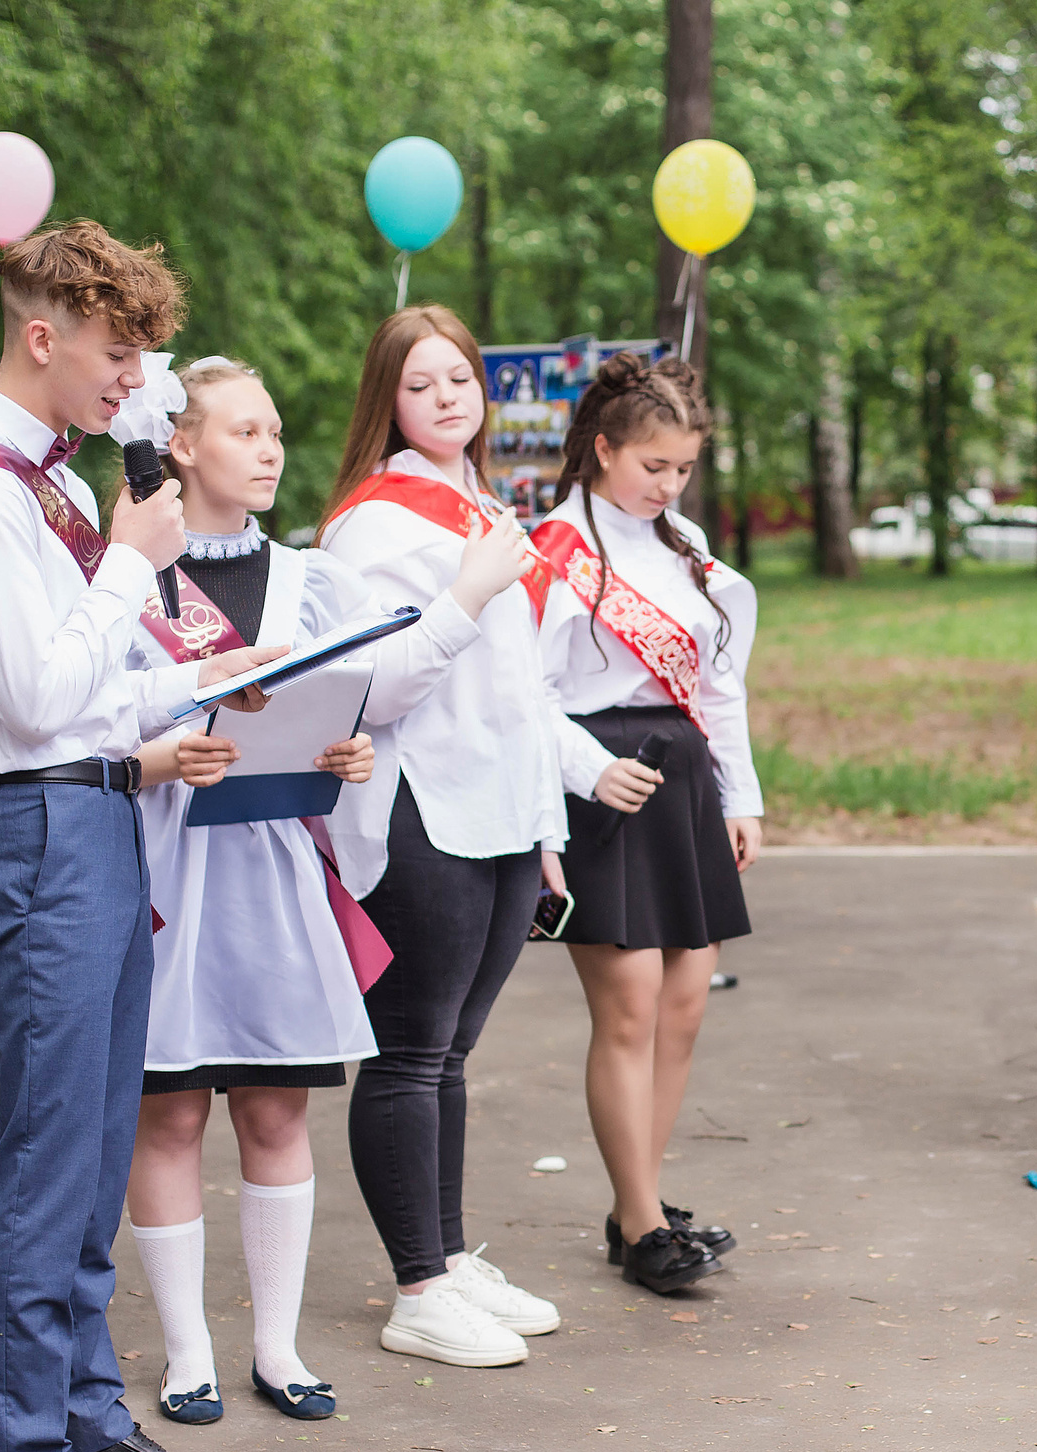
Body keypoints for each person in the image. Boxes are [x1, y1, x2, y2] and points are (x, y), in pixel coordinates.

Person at [0, 221, 280, 1452]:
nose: (136, 380)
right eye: (118, 352)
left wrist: (221, 677)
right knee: (49, 1160)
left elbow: (105, 687)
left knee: (98, 1142)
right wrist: (133, 560)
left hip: (99, 807)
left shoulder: (54, 488)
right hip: (39, 821)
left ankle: (82, 1420)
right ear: (43, 333)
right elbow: (34, 699)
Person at [112, 356, 386, 1428]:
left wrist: (349, 752)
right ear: (181, 445)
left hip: (273, 869)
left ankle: (278, 1348)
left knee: (277, 1107)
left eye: (276, 431)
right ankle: (188, 1355)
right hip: (167, 868)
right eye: (243, 431)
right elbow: (91, 711)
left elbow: (338, 704)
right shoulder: (125, 577)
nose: (270, 450)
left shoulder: (315, 579)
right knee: (169, 1112)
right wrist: (165, 747)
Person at [321, 305, 588, 1368]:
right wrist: (469, 593)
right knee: (410, 1050)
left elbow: (524, 692)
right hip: (421, 806)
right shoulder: (370, 525)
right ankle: (416, 1288)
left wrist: (547, 825)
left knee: (454, 1054)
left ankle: (444, 1255)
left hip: (502, 812)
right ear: (386, 397)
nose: (445, 398)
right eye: (421, 382)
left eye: (460, 379)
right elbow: (373, 689)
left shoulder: (480, 500)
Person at [529, 353, 760, 1295]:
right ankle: (642, 1220)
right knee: (626, 1007)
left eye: (682, 469)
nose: (668, 484)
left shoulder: (685, 545)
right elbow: (524, 692)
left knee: (686, 1005)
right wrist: (582, 774)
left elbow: (720, 684)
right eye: (652, 466)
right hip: (603, 781)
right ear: (602, 447)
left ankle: (644, 1206)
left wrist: (740, 794)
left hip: (684, 777)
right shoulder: (551, 546)